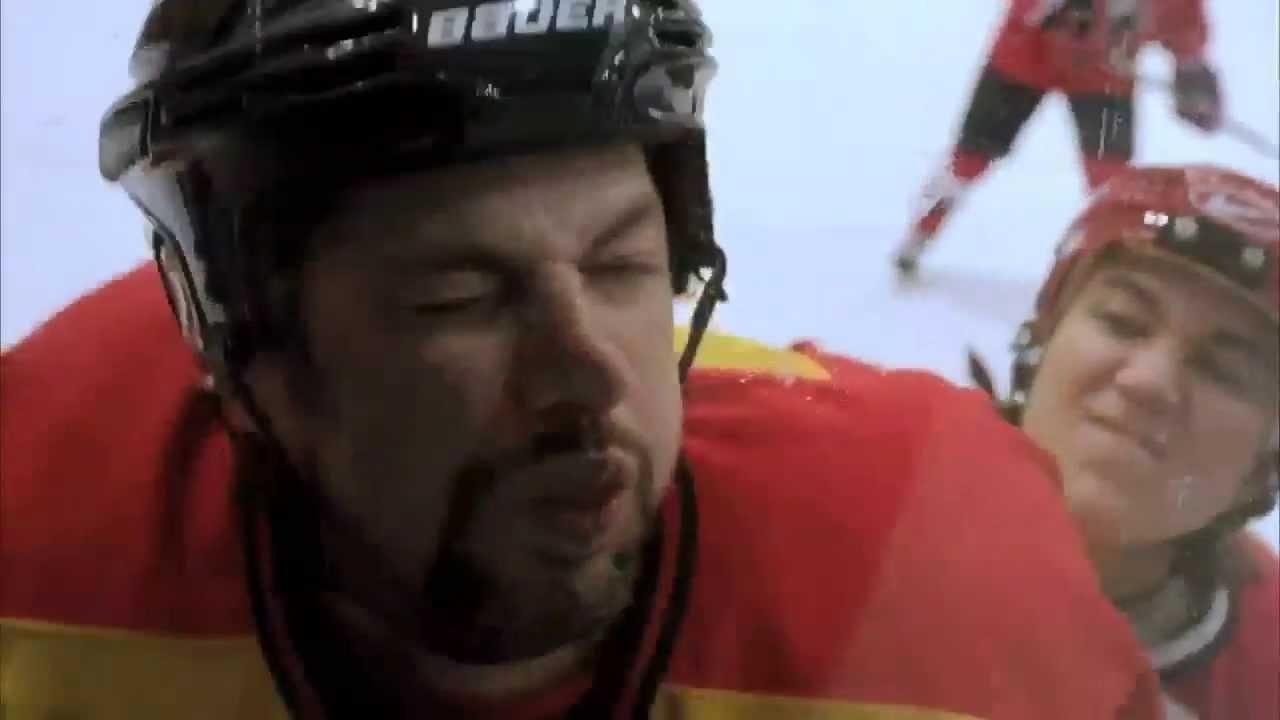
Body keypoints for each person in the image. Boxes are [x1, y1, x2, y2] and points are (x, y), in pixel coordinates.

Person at [1, 1, 1164, 718]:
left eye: (622, 268)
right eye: (456, 298)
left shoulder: (938, 574)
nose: (589, 374)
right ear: (250, 361)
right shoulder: (37, 531)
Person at [971, 164, 1279, 719]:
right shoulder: (842, 493)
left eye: (1223, 371)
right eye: (1122, 321)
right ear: (1041, 343)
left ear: (1264, 464)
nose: (1148, 383)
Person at [895, 0, 1223, 276]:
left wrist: (1192, 68)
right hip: (1023, 59)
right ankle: (921, 231)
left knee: (1113, 180)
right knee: (969, 160)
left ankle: (1113, 265)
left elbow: (1184, 21)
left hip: (1105, 75)